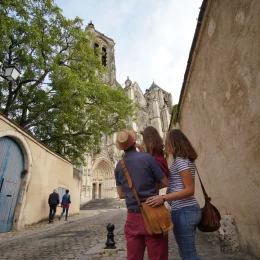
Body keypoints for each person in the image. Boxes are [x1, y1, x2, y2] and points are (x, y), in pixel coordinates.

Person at [146, 129, 202, 260]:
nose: (166, 145)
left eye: (167, 142)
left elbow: (189, 190)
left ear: (173, 143)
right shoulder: (182, 160)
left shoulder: (181, 161)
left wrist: (163, 198)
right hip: (185, 211)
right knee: (186, 254)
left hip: (184, 211)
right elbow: (173, 183)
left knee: (189, 256)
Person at [114, 129, 169, 260]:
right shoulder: (148, 158)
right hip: (153, 212)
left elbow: (121, 194)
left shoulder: (118, 166)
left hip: (132, 217)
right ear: (135, 143)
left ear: (121, 147)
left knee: (133, 257)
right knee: (158, 256)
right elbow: (166, 182)